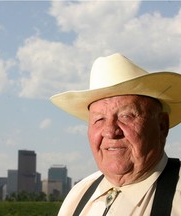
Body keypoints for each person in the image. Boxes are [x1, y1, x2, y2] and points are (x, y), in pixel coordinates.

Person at [50, 53, 181, 216]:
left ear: (162, 126)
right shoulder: (78, 195)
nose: (110, 131)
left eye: (126, 116)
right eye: (99, 119)